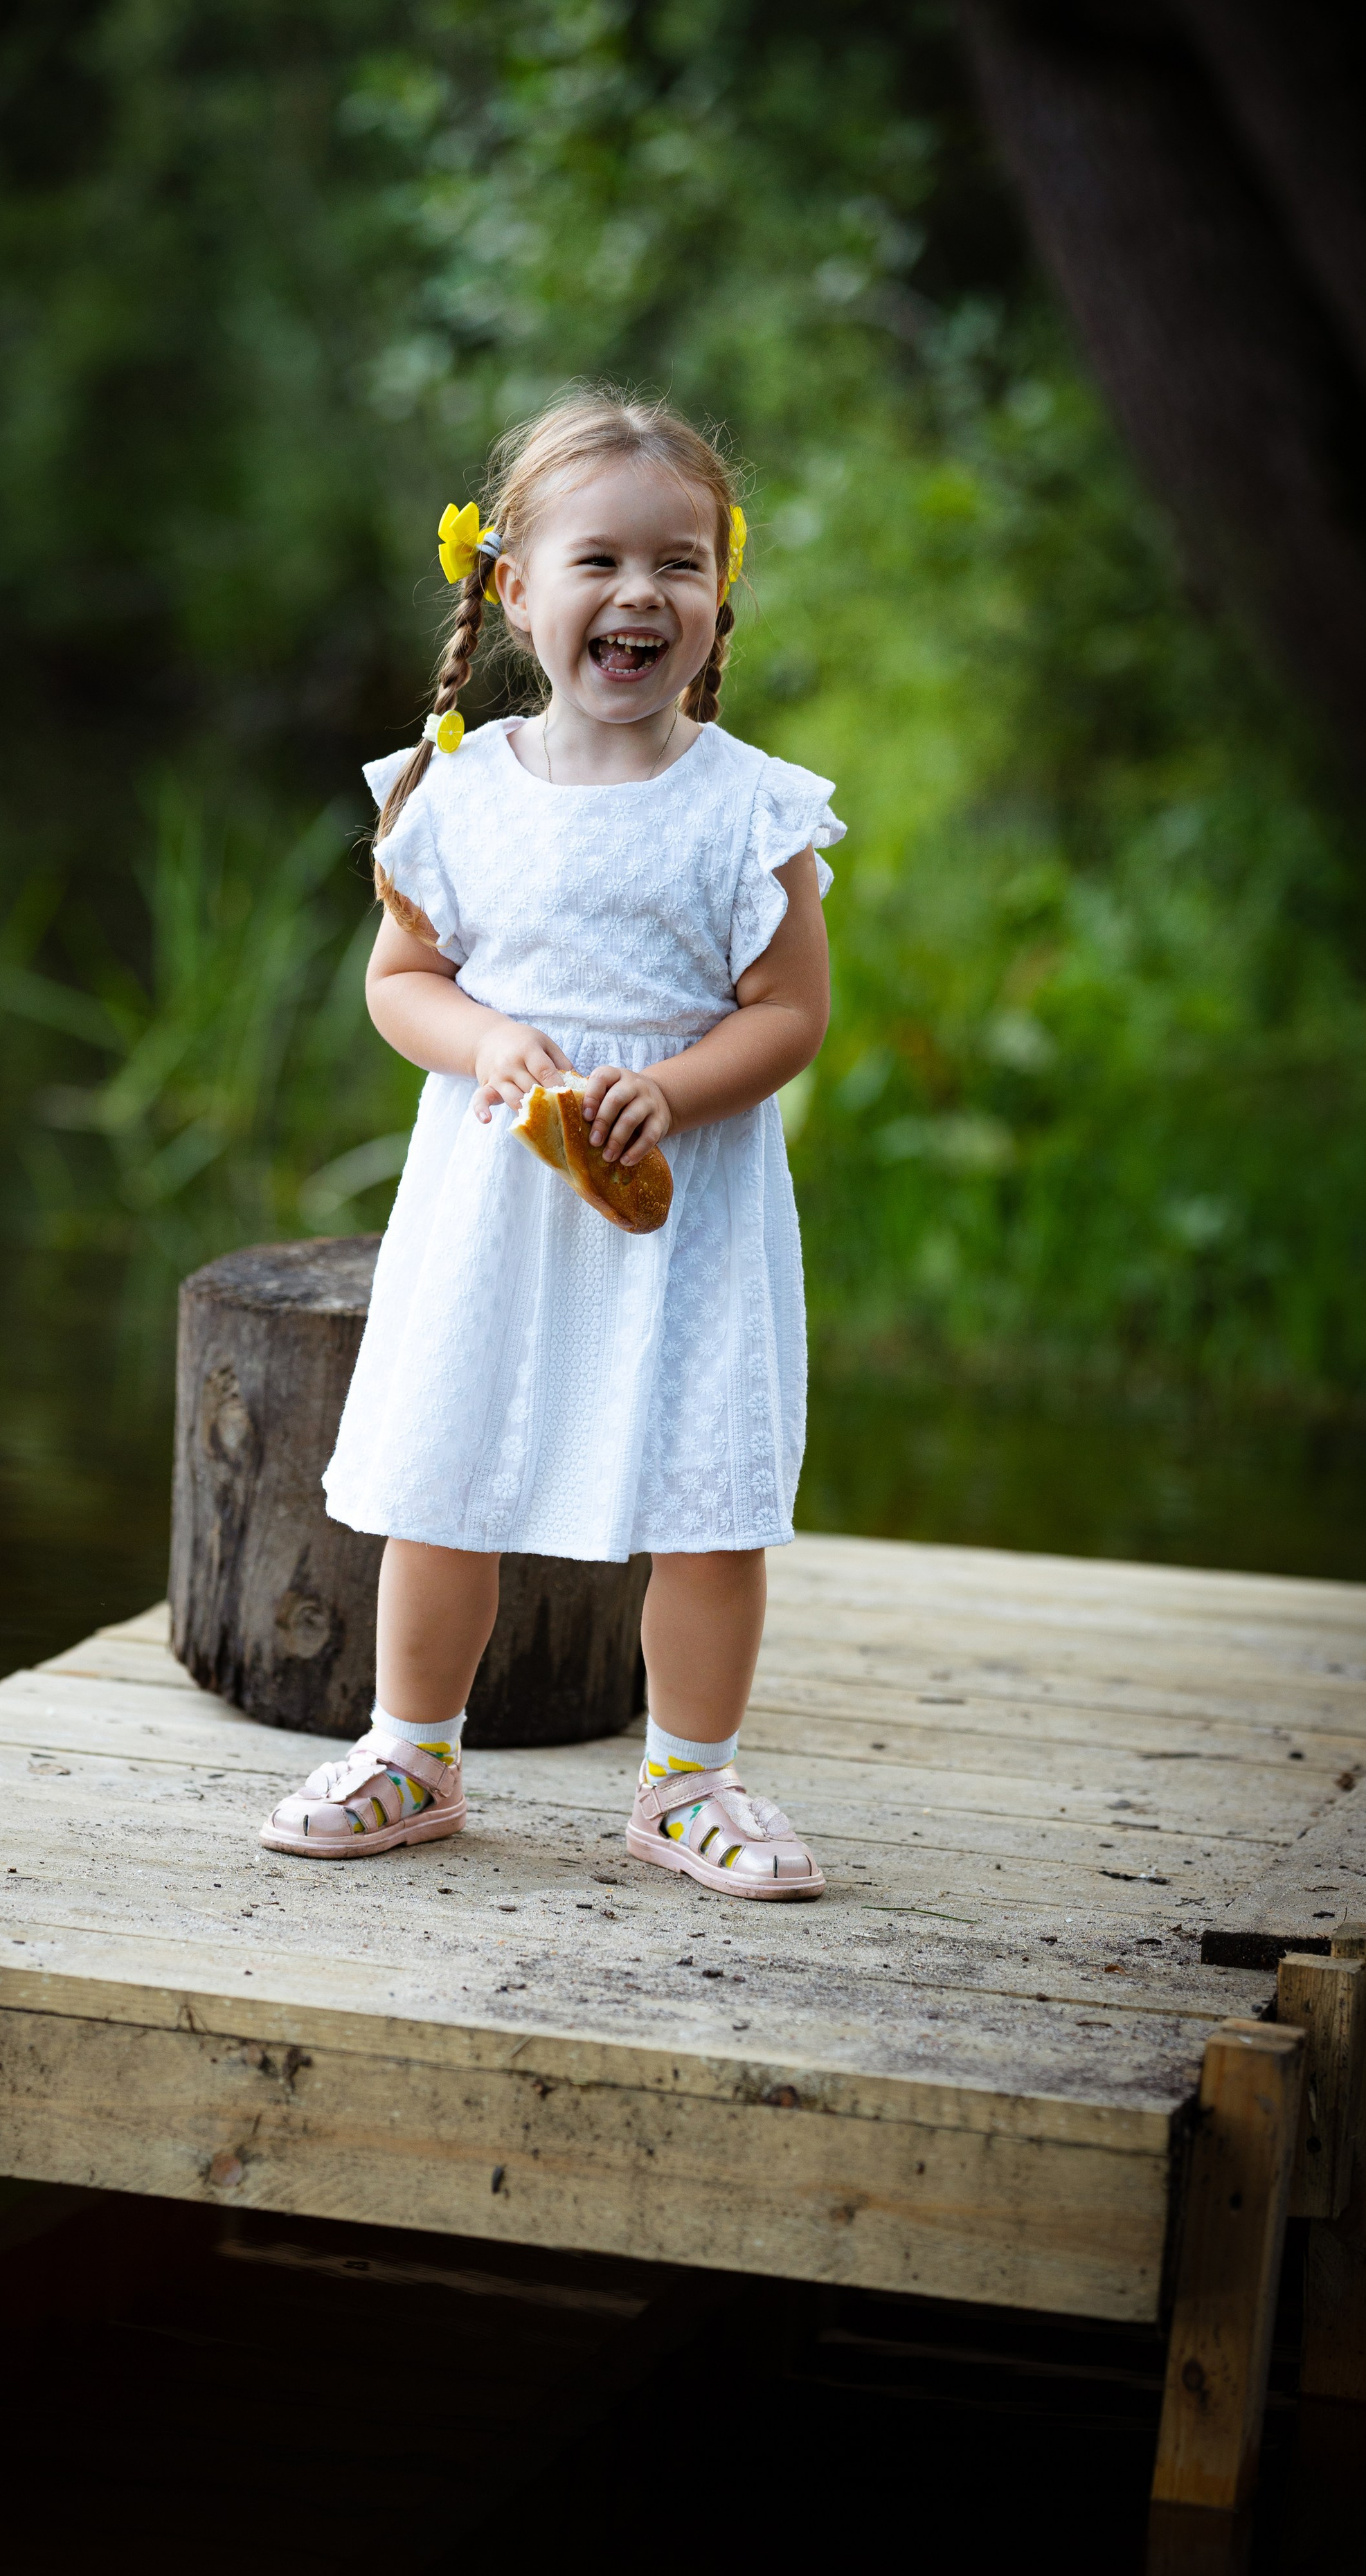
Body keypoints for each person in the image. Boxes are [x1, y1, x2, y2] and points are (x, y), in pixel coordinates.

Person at [260, 387, 841, 1900]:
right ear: (514, 590)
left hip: (684, 1211)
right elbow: (401, 985)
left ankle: (686, 1782)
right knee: (445, 1477)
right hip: (493, 1202)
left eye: (680, 563)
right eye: (598, 561)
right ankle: (411, 1749)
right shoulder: (448, 791)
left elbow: (786, 1013)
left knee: (704, 1504)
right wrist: (485, 1043)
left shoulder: (749, 811)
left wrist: (688, 1083)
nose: (639, 593)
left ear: (719, 598)